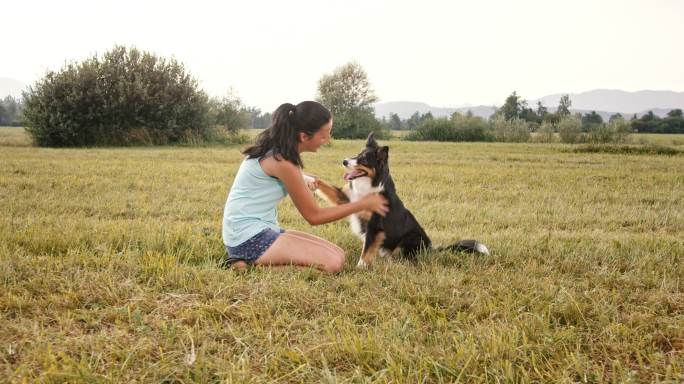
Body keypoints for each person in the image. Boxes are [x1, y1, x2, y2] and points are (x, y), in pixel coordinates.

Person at [221, 101, 389, 273]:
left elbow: (272, 174)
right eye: (324, 135)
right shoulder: (284, 162)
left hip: (256, 229)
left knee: (339, 255)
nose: (328, 140)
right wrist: (362, 204)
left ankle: (247, 260)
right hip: (248, 238)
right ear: (303, 137)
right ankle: (246, 265)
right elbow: (314, 216)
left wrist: (303, 177)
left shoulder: (275, 151)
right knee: (332, 264)